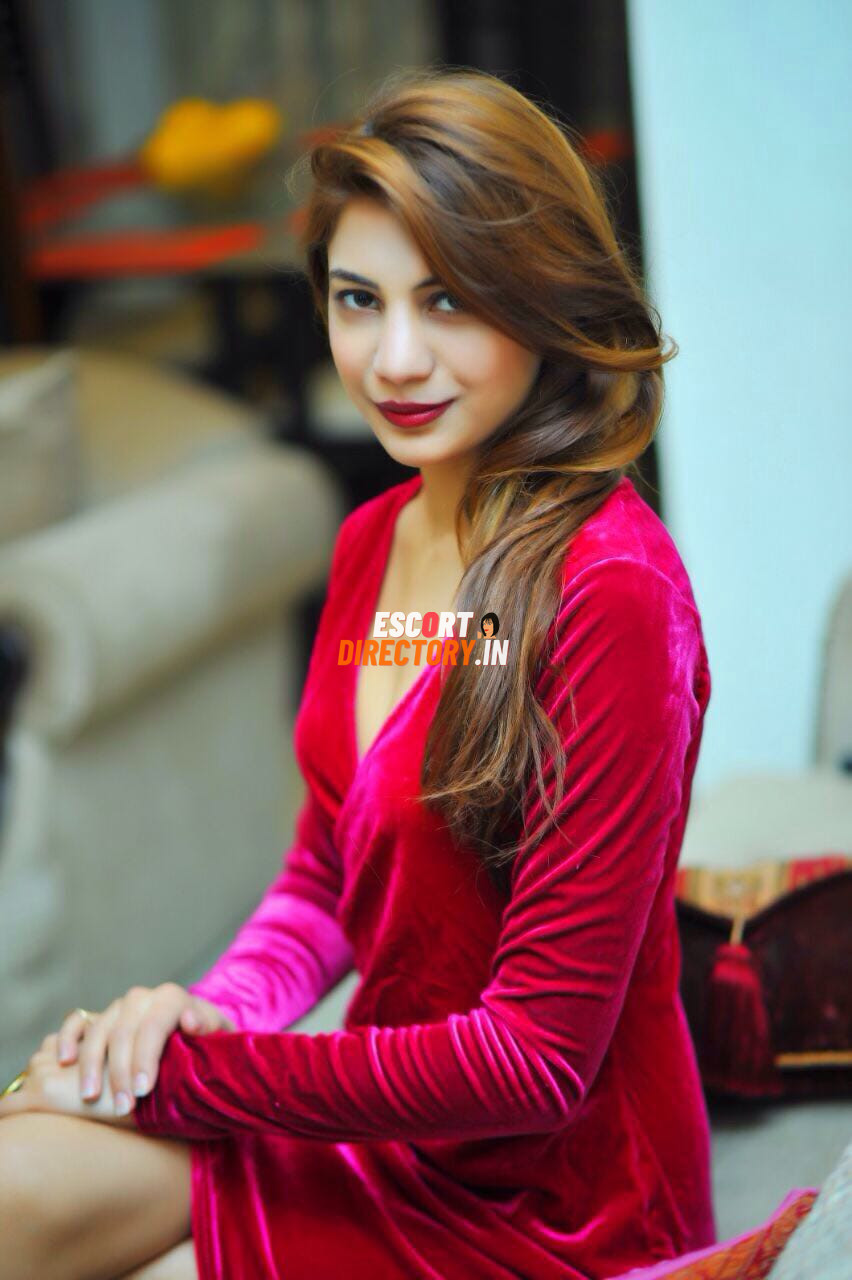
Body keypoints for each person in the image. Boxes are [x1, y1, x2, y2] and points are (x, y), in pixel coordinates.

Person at [0, 67, 717, 1280]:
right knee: (23, 1154)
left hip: (559, 1206)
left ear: (538, 299)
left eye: (448, 301)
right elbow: (330, 865)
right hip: (387, 1128)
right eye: (357, 299)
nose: (394, 358)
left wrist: (190, 1079)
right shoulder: (374, 547)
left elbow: (534, 1060)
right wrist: (209, 1008)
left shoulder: (611, 595)